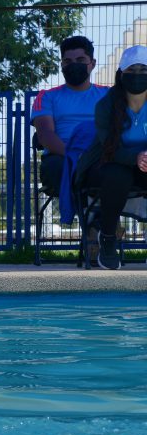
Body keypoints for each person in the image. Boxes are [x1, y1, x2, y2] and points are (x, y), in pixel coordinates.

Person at [74, 45, 147, 270]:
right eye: (131, 70)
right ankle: (107, 240)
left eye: (143, 70)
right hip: (109, 163)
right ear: (120, 74)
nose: (137, 76)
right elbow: (108, 148)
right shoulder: (106, 105)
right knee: (118, 175)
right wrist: (136, 158)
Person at [30, 35, 109, 194]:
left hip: (100, 156)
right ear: (62, 65)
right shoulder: (46, 97)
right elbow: (45, 135)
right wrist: (76, 157)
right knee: (56, 169)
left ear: (92, 64)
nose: (74, 65)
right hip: (61, 157)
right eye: (68, 61)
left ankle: (99, 214)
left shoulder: (108, 94)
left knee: (115, 171)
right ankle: (90, 211)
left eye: (80, 60)